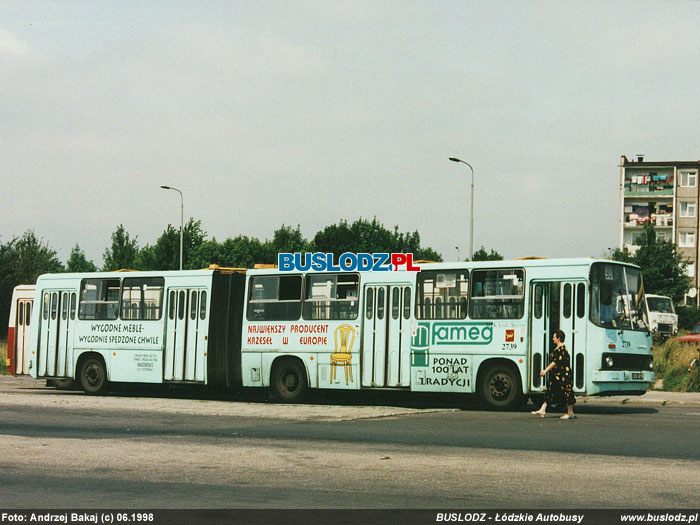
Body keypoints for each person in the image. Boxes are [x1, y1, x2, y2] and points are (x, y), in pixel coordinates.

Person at [531, 329, 576, 419]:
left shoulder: (561, 349)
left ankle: (570, 412)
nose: (553, 339)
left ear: (558, 338)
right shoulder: (559, 348)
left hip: (563, 375)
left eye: (554, 337)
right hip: (556, 375)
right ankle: (543, 409)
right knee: (550, 390)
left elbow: (555, 362)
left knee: (566, 391)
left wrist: (545, 370)